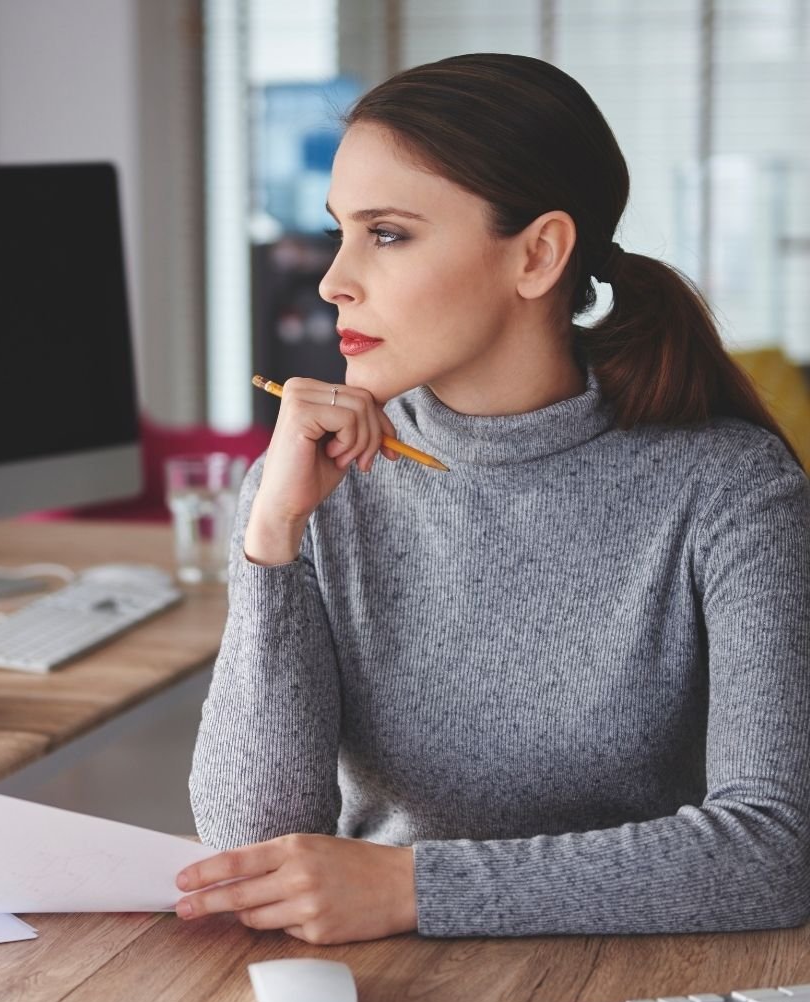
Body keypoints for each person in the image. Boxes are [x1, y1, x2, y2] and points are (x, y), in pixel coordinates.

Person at [174, 53, 810, 944]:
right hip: (385, 987)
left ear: (539, 253)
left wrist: (413, 889)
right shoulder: (310, 490)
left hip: (644, 984)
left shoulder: (730, 491)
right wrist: (273, 535)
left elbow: (775, 850)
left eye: (387, 234)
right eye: (338, 233)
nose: (332, 282)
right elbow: (255, 850)